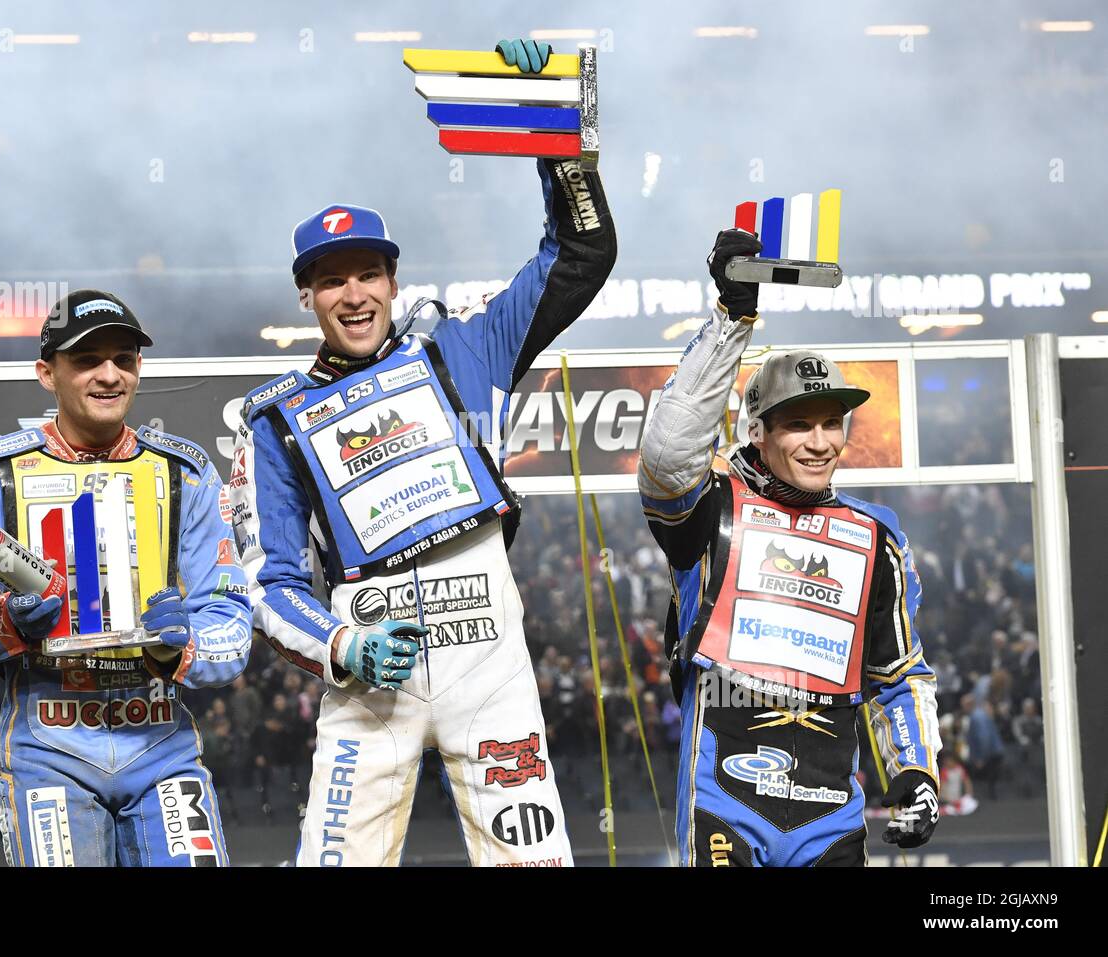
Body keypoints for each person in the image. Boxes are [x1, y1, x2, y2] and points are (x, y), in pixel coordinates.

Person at [230, 37, 617, 866]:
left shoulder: (462, 353)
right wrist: (343, 646)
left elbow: (581, 256)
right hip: (371, 677)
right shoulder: (278, 419)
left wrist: (558, 139)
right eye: (331, 279)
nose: (353, 293)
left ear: (393, 280)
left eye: (366, 272)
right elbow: (268, 584)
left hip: (492, 666)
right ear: (306, 294)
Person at [0, 290, 252, 866]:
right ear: (46, 373)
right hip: (47, 750)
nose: (110, 375)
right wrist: (0, 621)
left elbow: (233, 621)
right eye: (87, 360)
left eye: (125, 359)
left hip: (162, 744)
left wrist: (185, 645)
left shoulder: (186, 473)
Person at [638, 229, 942, 866]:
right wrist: (731, 319)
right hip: (724, 805)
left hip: (831, 820)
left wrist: (916, 774)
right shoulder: (713, 507)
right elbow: (666, 457)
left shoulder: (874, 534)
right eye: (799, 423)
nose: (820, 440)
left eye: (832, 422)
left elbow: (897, 675)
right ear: (759, 431)